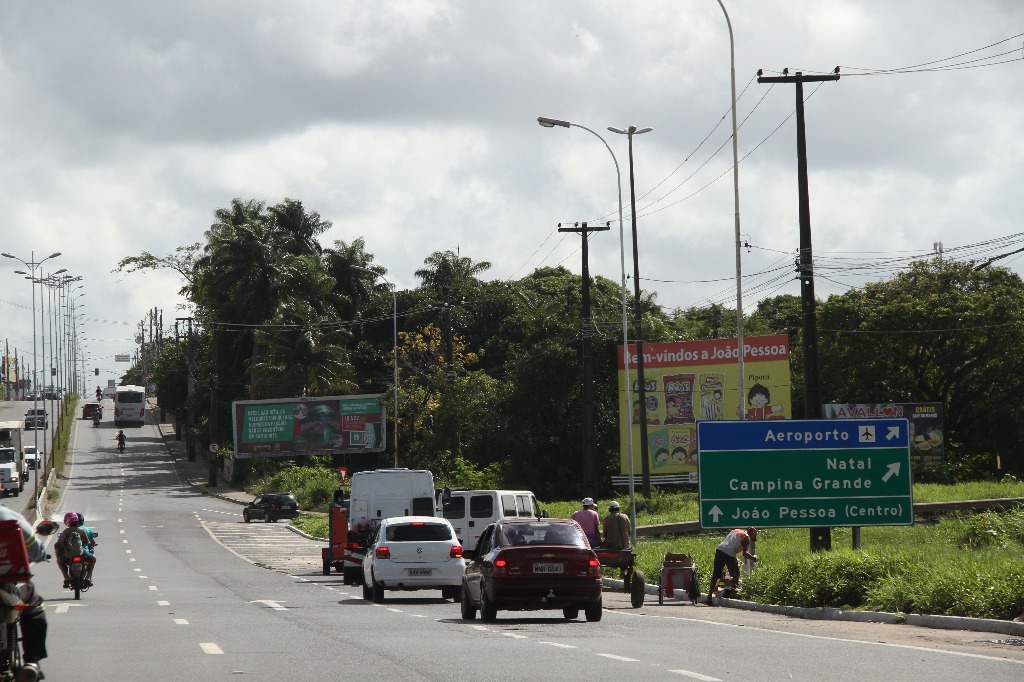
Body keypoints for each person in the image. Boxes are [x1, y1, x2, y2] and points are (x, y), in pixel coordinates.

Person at [0, 504, 52, 681]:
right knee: (35, 607)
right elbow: (37, 551)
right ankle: (31, 661)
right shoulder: (8, 516)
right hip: (8, 585)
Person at [706, 526, 758, 606]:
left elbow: (731, 543)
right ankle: (732, 596)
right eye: (754, 536)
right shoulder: (746, 538)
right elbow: (745, 554)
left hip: (720, 549)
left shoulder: (736, 530)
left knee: (716, 574)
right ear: (753, 534)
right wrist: (753, 558)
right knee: (736, 574)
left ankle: (709, 596)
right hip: (729, 552)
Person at [56, 512, 96, 589]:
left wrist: (65, 548)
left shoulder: (66, 531)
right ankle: (87, 579)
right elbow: (88, 542)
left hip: (69, 554)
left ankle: (67, 578)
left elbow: (61, 541)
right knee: (93, 559)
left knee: (59, 561)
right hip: (82, 553)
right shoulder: (81, 530)